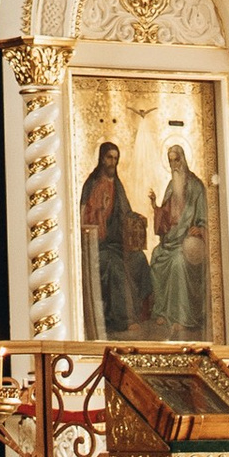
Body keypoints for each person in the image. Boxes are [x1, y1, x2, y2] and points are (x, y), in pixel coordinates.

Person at [78, 136, 150, 335]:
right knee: (115, 266)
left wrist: (136, 219)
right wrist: (99, 208)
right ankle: (123, 319)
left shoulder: (117, 185)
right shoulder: (91, 184)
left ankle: (145, 313)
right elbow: (84, 216)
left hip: (117, 244)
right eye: (109, 158)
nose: (113, 162)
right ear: (102, 159)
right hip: (98, 246)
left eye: (116, 158)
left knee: (140, 260)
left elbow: (125, 213)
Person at [147, 140, 214, 336]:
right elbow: (166, 216)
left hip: (186, 243)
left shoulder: (196, 187)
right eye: (170, 162)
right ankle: (164, 312)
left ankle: (184, 319)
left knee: (177, 263)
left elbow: (205, 217)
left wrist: (200, 229)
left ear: (183, 160)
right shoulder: (170, 185)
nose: (174, 166)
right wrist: (155, 207)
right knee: (156, 258)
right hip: (170, 240)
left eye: (176, 161)